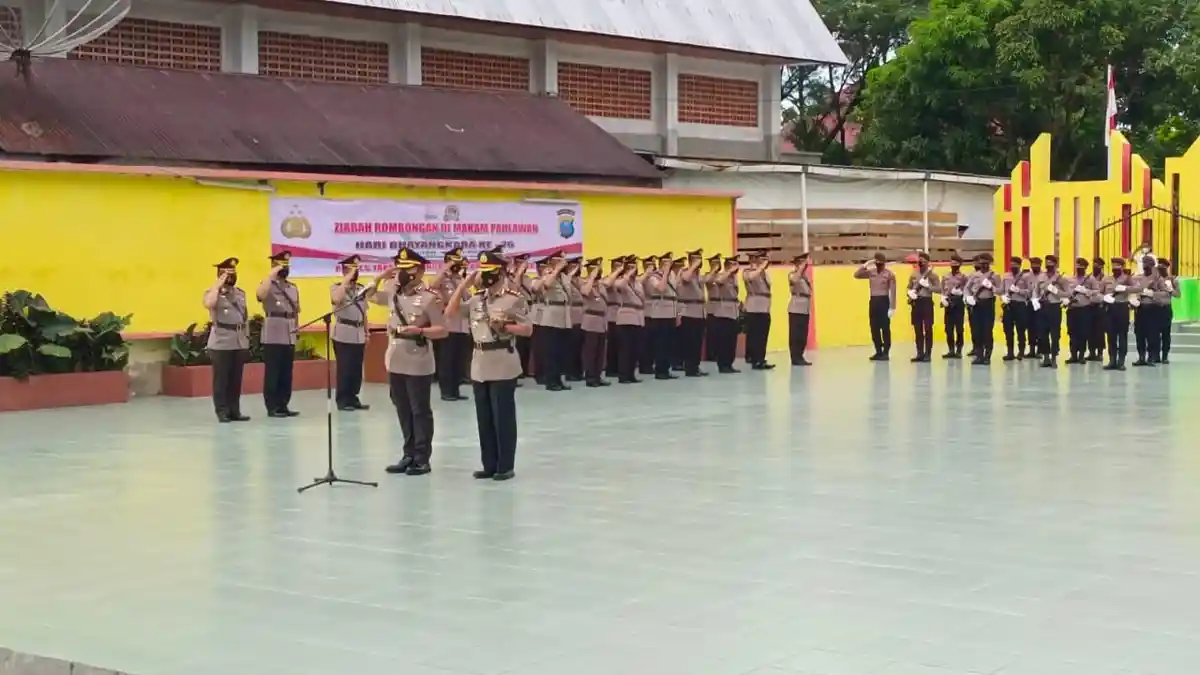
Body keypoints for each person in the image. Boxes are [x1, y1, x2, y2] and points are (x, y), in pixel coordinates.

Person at [445, 250, 532, 481]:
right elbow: (450, 312)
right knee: (484, 419)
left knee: (502, 417)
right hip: (480, 363)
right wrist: (463, 285)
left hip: (502, 361)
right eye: (483, 272)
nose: (485, 277)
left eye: (490, 272)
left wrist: (505, 326)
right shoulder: (477, 299)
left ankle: (505, 466)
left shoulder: (513, 298)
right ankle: (489, 465)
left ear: (501, 272)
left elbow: (527, 329)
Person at [371, 248, 447, 476]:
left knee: (419, 410)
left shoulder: (429, 298)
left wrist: (420, 331)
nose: (402, 273)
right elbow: (369, 295)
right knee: (402, 409)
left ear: (420, 271)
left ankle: (422, 458)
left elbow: (442, 330)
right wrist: (380, 277)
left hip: (418, 360)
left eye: (407, 268)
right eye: (400, 268)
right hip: (395, 358)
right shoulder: (393, 293)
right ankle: (408, 453)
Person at [330, 254, 381, 411]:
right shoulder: (336, 287)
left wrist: (367, 332)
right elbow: (336, 299)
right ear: (344, 271)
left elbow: (363, 313)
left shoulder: (360, 289)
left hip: (358, 333)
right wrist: (346, 280)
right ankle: (343, 400)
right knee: (345, 368)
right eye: (351, 269)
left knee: (356, 369)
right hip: (343, 332)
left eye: (356, 269)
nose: (355, 272)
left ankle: (353, 398)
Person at [203, 257, 250, 423]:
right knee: (221, 379)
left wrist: (246, 339)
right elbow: (209, 303)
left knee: (235, 379)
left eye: (233, 272)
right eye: (228, 273)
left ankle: (234, 410)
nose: (232, 276)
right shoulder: (213, 293)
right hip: (221, 341)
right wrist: (218, 283)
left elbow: (244, 317)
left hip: (238, 340)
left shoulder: (240, 293)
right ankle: (222, 411)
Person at [257, 250, 301, 418]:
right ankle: (272, 406)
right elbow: (260, 295)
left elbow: (295, 310)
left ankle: (283, 404)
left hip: (289, 331)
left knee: (286, 372)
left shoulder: (292, 287)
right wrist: (271, 275)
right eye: (282, 264)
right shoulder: (267, 284)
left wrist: (296, 328)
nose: (285, 268)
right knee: (273, 371)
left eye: (287, 265)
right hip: (274, 332)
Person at [432, 247, 471, 402]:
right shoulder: (442, 279)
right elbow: (432, 286)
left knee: (459, 360)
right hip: (448, 324)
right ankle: (446, 391)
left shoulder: (460, 279)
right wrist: (446, 268)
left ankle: (455, 389)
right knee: (446, 360)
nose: (457, 265)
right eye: (455, 262)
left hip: (462, 324)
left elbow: (467, 297)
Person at [532, 252, 570, 391]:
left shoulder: (564, 277)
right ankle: (551, 381)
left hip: (563, 315)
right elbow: (545, 285)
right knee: (551, 351)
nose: (563, 262)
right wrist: (556, 270)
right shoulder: (548, 274)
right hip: (550, 316)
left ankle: (558, 379)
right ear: (553, 261)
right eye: (560, 260)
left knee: (560, 352)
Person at [853, 252, 897, 361]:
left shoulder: (889, 274)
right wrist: (866, 264)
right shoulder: (871, 272)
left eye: (879, 262)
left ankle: (886, 352)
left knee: (885, 328)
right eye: (876, 261)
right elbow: (856, 275)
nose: (878, 264)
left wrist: (892, 307)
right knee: (874, 328)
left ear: (884, 263)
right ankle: (878, 351)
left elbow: (893, 291)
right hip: (873, 301)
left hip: (884, 301)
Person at [643, 252, 678, 380]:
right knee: (660, 344)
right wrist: (665, 273)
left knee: (669, 344)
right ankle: (660, 371)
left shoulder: (672, 275)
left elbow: (674, 295)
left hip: (671, 313)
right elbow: (661, 288)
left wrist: (677, 314)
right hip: (659, 314)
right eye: (668, 262)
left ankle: (666, 369)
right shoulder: (654, 276)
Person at [579, 257, 612, 387]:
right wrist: (591, 277)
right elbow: (585, 292)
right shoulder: (585, 282)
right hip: (591, 321)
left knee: (600, 352)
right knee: (590, 351)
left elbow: (610, 283)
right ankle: (590, 377)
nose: (599, 271)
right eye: (596, 269)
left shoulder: (601, 284)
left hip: (602, 321)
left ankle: (598, 376)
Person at [613, 256, 646, 384]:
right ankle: (623, 375)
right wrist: (626, 274)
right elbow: (619, 285)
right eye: (630, 267)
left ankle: (631, 374)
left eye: (634, 267)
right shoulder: (621, 281)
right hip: (626, 318)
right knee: (625, 349)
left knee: (635, 349)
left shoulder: (637, 283)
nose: (633, 270)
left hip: (638, 317)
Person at [676, 249, 708, 376]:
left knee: (697, 342)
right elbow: (685, 278)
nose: (699, 262)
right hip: (688, 311)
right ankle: (690, 368)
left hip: (699, 311)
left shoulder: (699, 274)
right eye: (696, 259)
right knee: (690, 341)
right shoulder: (684, 271)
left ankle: (695, 366)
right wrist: (693, 265)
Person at [1035, 254, 1070, 368]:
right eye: (1047, 262)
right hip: (1042, 307)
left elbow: (1068, 293)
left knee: (1055, 334)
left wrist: (1056, 291)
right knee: (1042, 334)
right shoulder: (1040, 276)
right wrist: (1034, 300)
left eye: (1051, 263)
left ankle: (1054, 358)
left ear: (1055, 264)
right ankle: (1046, 357)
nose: (1048, 264)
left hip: (1054, 308)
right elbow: (1035, 290)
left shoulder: (1061, 278)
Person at [742, 250, 775, 370]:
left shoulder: (763, 273)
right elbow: (750, 277)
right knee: (754, 335)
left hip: (764, 308)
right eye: (762, 259)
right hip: (754, 308)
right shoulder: (747, 271)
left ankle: (761, 359)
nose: (765, 261)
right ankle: (754, 359)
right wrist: (760, 267)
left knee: (763, 336)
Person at [1101, 257, 1133, 371]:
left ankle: (1121, 361)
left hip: (1122, 308)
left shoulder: (1127, 278)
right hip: (1110, 308)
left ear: (1122, 267)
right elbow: (1098, 292)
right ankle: (1112, 360)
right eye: (1113, 265)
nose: (1115, 267)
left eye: (1118, 266)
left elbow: (1138, 288)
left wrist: (1125, 288)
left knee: (1122, 335)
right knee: (1111, 336)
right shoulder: (1106, 279)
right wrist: (1104, 297)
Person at [1064, 257, 1097, 365]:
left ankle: (1081, 355)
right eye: (1077, 266)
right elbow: (1066, 292)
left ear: (1085, 268)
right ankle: (1073, 355)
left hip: (1084, 310)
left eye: (1081, 266)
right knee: (1072, 333)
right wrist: (1066, 299)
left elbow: (1097, 292)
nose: (1079, 268)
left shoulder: (1091, 279)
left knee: (1083, 333)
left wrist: (1086, 291)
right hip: (1072, 309)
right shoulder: (1070, 279)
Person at [712, 256, 742, 373]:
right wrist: (729, 271)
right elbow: (718, 281)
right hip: (723, 312)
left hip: (733, 311)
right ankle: (723, 364)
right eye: (733, 265)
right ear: (728, 266)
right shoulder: (722, 275)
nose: (736, 267)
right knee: (723, 340)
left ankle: (729, 363)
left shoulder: (734, 278)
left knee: (731, 340)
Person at [999, 256, 1029, 361]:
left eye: (1015, 265)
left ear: (1019, 265)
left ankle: (1021, 352)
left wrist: (1019, 291)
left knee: (1021, 329)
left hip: (1020, 305)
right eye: (1011, 264)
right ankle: (1010, 352)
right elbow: (1001, 290)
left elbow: (1030, 292)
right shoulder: (1006, 276)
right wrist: (1002, 297)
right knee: (1008, 330)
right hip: (1008, 305)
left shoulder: (1025, 276)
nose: (1013, 266)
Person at [511, 254, 535, 379]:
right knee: (518, 343)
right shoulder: (511, 278)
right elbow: (514, 288)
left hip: (529, 311)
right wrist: (518, 273)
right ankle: (517, 371)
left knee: (527, 342)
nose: (524, 266)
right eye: (521, 263)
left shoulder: (528, 278)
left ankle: (526, 369)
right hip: (517, 312)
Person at [940, 254, 968, 359]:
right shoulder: (945, 276)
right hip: (948, 303)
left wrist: (961, 293)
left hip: (959, 303)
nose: (953, 264)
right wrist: (943, 299)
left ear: (960, 264)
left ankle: (959, 350)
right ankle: (951, 350)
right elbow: (942, 289)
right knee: (948, 328)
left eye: (956, 263)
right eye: (952, 262)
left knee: (959, 328)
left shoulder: (964, 277)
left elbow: (968, 289)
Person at [787, 253, 813, 366]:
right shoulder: (792, 274)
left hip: (804, 308)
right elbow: (795, 280)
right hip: (796, 308)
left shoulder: (804, 277)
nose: (805, 266)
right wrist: (800, 269)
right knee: (795, 334)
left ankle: (800, 356)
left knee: (803, 334)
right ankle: (795, 357)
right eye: (802, 263)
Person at [565, 257, 586, 382]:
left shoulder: (579, 280)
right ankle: (570, 372)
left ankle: (578, 371)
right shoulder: (566, 280)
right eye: (574, 266)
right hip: (572, 315)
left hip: (582, 315)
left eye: (579, 266)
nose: (578, 268)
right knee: (571, 346)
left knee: (579, 346)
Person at [1155, 258, 1178, 364]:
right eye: (1158, 265)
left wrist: (1170, 290)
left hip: (1166, 308)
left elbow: (1178, 294)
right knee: (1154, 333)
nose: (1160, 267)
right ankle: (1155, 355)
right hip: (1155, 308)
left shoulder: (1172, 279)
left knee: (1165, 334)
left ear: (1167, 267)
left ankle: (1165, 356)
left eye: (1162, 266)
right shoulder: (1154, 279)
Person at [604, 256, 624, 379]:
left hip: (622, 314)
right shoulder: (609, 278)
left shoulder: (624, 279)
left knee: (621, 344)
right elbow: (608, 284)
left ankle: (618, 367)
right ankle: (611, 369)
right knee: (612, 344)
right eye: (617, 266)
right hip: (612, 314)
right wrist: (616, 272)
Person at [702, 253, 723, 363]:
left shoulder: (723, 275)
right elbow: (707, 281)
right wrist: (713, 270)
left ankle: (720, 354)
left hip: (723, 307)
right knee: (712, 333)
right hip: (712, 307)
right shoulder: (708, 275)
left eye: (718, 263)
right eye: (715, 263)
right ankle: (711, 355)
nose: (718, 265)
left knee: (721, 334)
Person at [1086, 257, 1107, 362]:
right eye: (1094, 264)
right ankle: (1091, 352)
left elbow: (1106, 293)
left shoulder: (1105, 278)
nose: (1095, 266)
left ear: (1101, 266)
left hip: (1100, 307)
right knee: (1090, 330)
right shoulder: (1088, 277)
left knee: (1099, 331)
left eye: (1097, 265)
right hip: (1089, 307)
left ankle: (1100, 353)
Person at [1024, 257, 1045, 357]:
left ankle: (1040, 350)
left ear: (1040, 265)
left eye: (1037, 265)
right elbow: (1025, 289)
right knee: (1030, 327)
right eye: (1033, 265)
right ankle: (1032, 350)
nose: (1034, 266)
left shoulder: (1044, 276)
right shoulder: (1027, 276)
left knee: (1040, 327)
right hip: (1030, 304)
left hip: (1041, 304)